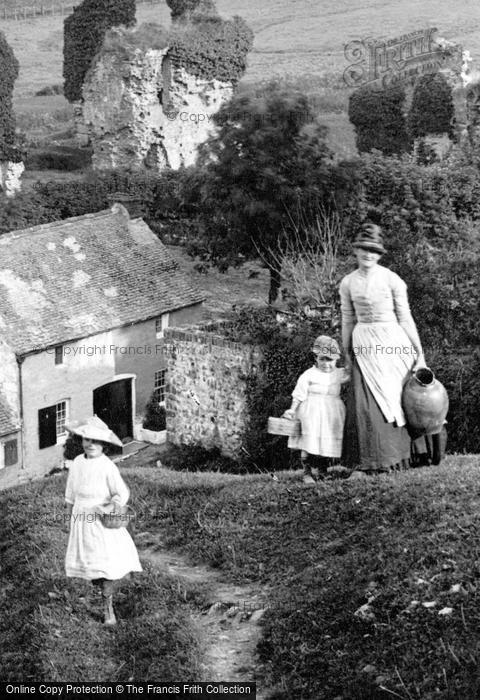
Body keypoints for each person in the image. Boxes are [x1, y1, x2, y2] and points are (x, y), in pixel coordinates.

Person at [339, 223, 427, 472]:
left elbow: (406, 318)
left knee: (399, 398)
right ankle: (371, 462)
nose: (368, 254)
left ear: (379, 255)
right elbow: (347, 319)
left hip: (392, 341)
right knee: (366, 404)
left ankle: (404, 459)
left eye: (374, 251)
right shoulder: (348, 283)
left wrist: (419, 354)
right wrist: (347, 353)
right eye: (364, 249)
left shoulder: (392, 280)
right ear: (355, 251)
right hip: (364, 344)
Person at [64, 415, 143, 626]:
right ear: (81, 441)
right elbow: (71, 494)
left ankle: (108, 606)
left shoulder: (107, 466)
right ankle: (99, 590)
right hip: (82, 518)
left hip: (102, 519)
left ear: (104, 445)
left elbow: (122, 492)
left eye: (96, 441)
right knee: (90, 563)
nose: (90, 444)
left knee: (107, 563)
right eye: (86, 439)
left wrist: (115, 501)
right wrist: (71, 518)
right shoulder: (78, 463)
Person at [283, 335, 350, 484]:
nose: (326, 364)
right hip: (311, 412)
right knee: (309, 441)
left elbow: (354, 372)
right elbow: (299, 394)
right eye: (322, 359)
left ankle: (323, 470)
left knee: (326, 441)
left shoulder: (339, 373)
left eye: (330, 360)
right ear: (316, 358)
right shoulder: (309, 374)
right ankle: (307, 472)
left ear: (337, 359)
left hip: (332, 413)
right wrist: (292, 410)